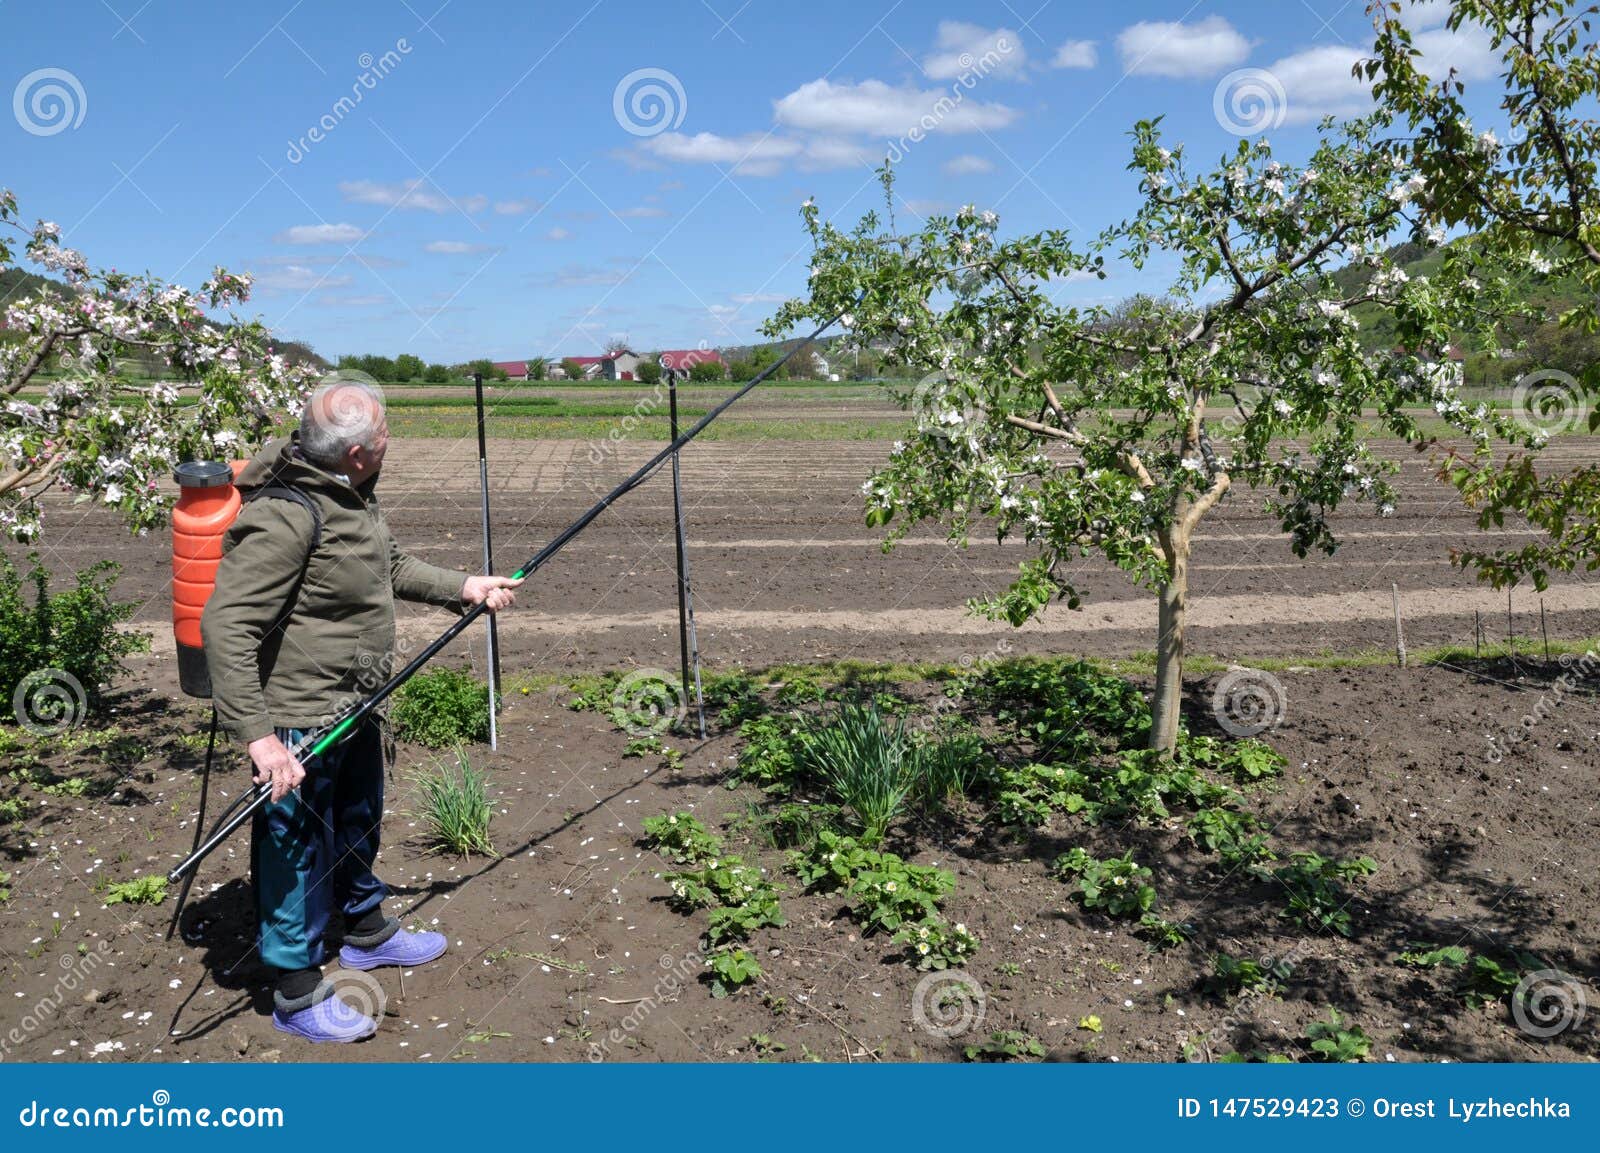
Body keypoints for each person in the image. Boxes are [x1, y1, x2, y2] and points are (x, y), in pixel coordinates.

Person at [202, 379, 520, 1043]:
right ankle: (294, 990)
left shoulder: (350, 495)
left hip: (356, 700)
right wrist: (262, 740)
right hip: (299, 716)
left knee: (354, 816)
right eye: (382, 437)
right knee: (292, 846)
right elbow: (227, 624)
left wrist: (464, 587)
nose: (389, 444)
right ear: (353, 453)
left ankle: (366, 926)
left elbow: (388, 564)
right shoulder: (288, 515)